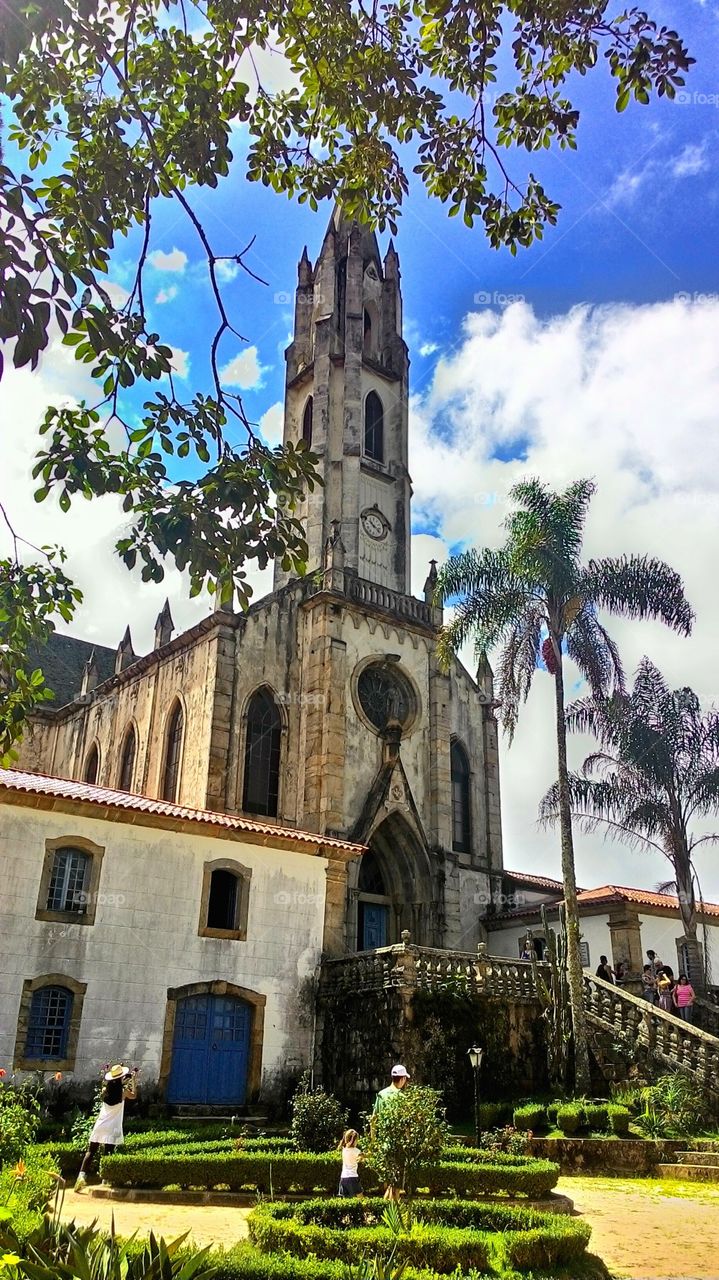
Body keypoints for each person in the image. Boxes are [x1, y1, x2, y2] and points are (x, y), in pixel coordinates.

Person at [74, 1064, 138, 1192]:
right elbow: (134, 1095)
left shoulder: (105, 1090)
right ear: (121, 1077)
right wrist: (133, 1080)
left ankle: (81, 1177)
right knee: (108, 1152)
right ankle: (105, 1178)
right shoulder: (123, 1093)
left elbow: (107, 1083)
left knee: (91, 1151)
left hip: (101, 1124)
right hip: (113, 1126)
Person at [371, 1064, 410, 1200]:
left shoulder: (381, 1095)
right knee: (396, 1185)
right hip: (398, 1145)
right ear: (403, 1079)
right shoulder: (401, 1098)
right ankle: (392, 1215)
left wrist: (374, 1141)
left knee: (390, 1184)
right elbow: (406, 1124)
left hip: (384, 1144)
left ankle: (384, 1211)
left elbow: (373, 1120)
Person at [337, 1128, 363, 1197]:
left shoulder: (344, 1150)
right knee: (360, 1198)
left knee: (345, 1200)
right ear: (354, 1140)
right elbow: (365, 1156)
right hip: (353, 1177)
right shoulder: (356, 1151)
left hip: (343, 1178)